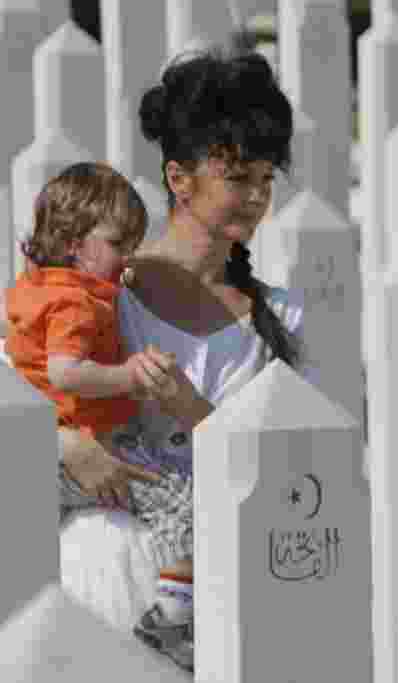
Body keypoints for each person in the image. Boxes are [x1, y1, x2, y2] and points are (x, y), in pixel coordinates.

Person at [49, 45, 320, 674]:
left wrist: (194, 411)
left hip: (227, 591)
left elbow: (294, 469)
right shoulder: (100, 293)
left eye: (265, 180)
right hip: (103, 575)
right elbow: (22, 395)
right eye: (238, 178)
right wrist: (68, 443)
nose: (256, 197)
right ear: (179, 178)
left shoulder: (282, 318)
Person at [4, 161, 200, 670]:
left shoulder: (34, 291)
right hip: (96, 447)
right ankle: (173, 620)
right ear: (73, 242)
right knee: (185, 501)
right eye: (117, 244)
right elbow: (67, 373)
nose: (128, 256)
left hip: (43, 457)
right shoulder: (77, 305)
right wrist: (129, 376)